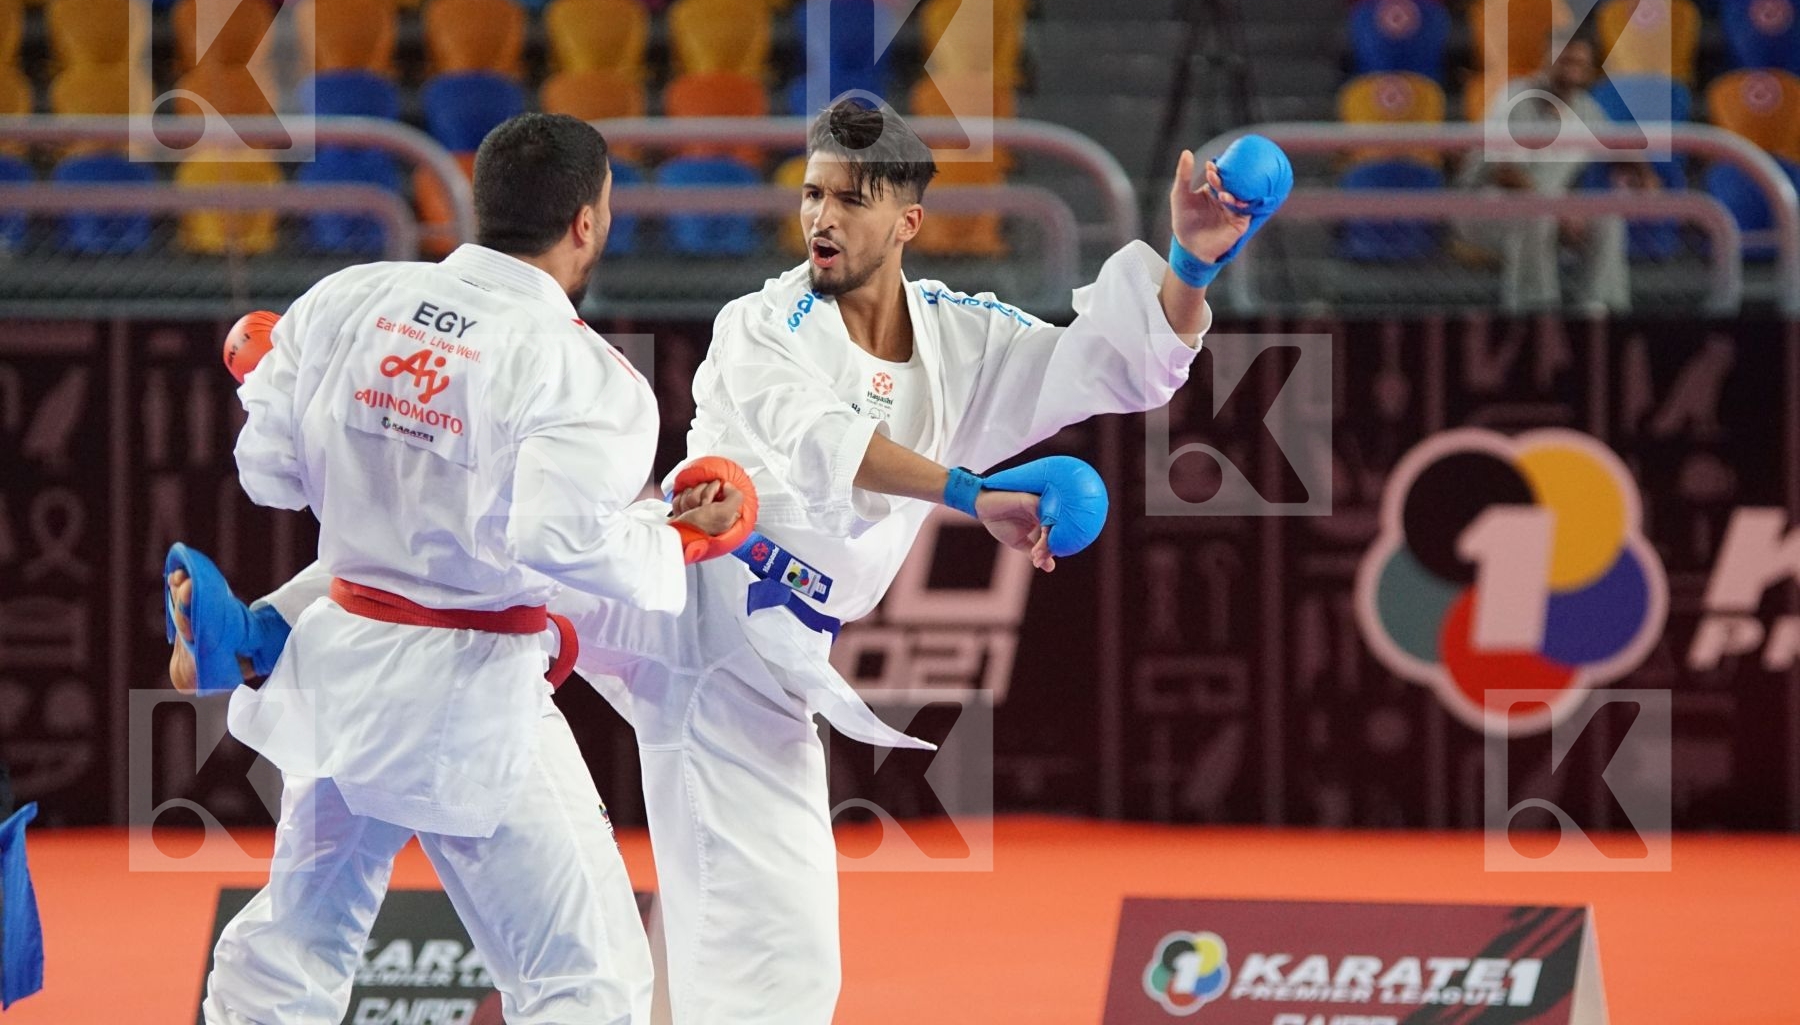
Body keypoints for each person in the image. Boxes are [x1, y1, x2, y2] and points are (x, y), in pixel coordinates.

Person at [171, 100, 1287, 1025]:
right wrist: (970, 493)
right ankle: (264, 629)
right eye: (811, 193)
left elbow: (1121, 369)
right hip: (677, 579)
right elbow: (818, 443)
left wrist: (1191, 256)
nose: (823, 216)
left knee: (781, 969)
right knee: (467, 564)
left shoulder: (964, 336)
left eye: (852, 197)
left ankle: (272, 631)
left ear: (910, 217)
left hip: (753, 657)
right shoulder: (764, 324)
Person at [187, 112, 754, 1025]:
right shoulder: (587, 374)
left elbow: (271, 476)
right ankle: (252, 631)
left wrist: (275, 378)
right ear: (587, 222)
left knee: (296, 941)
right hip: (468, 691)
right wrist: (679, 538)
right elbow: (558, 540)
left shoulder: (347, 298)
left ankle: (256, 630)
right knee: (589, 974)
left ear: (481, 203)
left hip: (344, 660)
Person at [1456, 35, 1630, 313]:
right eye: (1563, 60)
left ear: (1589, 70)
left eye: (1579, 62)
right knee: (1537, 216)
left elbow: (1621, 150)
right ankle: (1534, 313)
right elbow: (1505, 172)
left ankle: (1601, 310)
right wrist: (1559, 208)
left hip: (1549, 206)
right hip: (1485, 206)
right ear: (1545, 62)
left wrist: (1642, 172)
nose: (1570, 67)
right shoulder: (1517, 96)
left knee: (1607, 217)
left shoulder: (1587, 108)